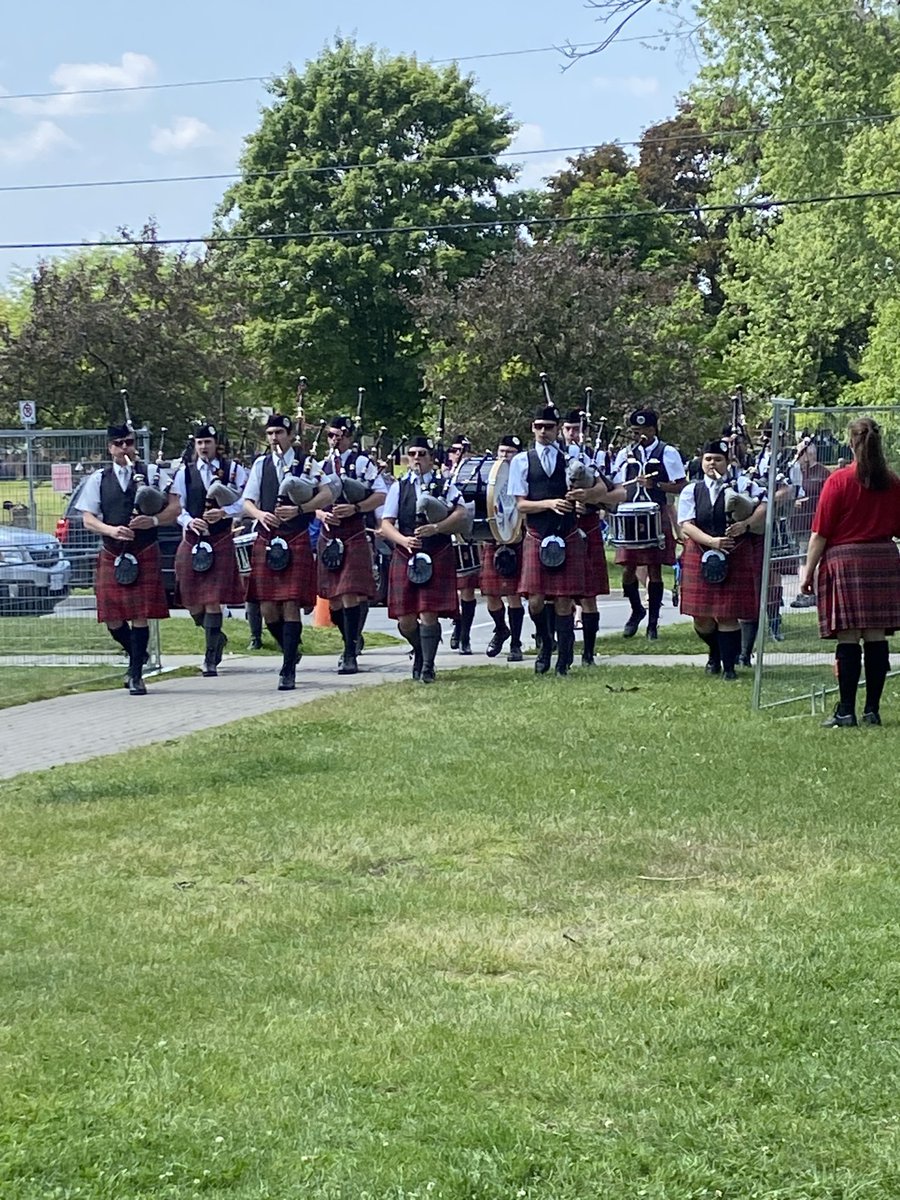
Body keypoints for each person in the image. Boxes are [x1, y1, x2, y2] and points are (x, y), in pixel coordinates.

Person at [799, 417, 900, 727]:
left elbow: (820, 533)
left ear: (850, 443)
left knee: (848, 637)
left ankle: (846, 711)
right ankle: (872, 710)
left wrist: (807, 573)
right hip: (883, 559)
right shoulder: (894, 482)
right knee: (874, 636)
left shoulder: (838, 481)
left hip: (845, 562)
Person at [76, 423, 180, 695]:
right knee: (112, 618)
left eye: (129, 443)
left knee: (140, 616)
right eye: (119, 443)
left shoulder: (153, 473)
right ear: (110, 447)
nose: (125, 448)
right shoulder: (99, 478)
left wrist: (154, 520)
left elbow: (175, 509)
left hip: (143, 549)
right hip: (112, 551)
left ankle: (136, 676)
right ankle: (138, 653)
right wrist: (111, 530)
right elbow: (88, 519)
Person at [509, 404, 611, 676]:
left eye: (549, 427)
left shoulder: (572, 457)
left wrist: (585, 496)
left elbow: (602, 487)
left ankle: (564, 658)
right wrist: (549, 503)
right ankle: (545, 644)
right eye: (539, 426)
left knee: (565, 599)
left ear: (557, 430)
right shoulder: (522, 460)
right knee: (535, 601)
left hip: (567, 534)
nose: (544, 431)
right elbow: (520, 505)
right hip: (537, 534)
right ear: (533, 428)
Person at [240, 413, 335, 691]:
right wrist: (259, 515)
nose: (273, 438)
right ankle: (291, 650)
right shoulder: (261, 464)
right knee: (268, 608)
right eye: (269, 434)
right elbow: (247, 501)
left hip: (295, 535)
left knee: (291, 603)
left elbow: (328, 494)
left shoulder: (307, 463)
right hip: (268, 537)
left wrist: (301, 509)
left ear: (290, 435)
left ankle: (287, 669)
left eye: (278, 433)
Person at [380, 436, 469, 683]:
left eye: (421, 454)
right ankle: (419, 651)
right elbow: (386, 524)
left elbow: (461, 514)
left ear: (431, 458)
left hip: (436, 551)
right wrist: (403, 540)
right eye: (412, 453)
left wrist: (438, 527)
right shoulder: (400, 486)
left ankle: (428, 667)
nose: (416, 458)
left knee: (428, 612)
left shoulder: (444, 484)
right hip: (406, 553)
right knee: (406, 620)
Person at [677, 438, 767, 680]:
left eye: (718, 459)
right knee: (702, 618)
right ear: (702, 461)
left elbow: (764, 506)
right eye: (708, 459)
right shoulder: (691, 490)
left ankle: (729, 668)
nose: (712, 463)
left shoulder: (743, 484)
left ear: (728, 462)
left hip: (735, 554)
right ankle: (714, 652)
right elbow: (686, 525)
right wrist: (712, 541)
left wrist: (746, 524)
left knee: (728, 614)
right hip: (701, 552)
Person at [170, 421, 248, 677]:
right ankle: (217, 637)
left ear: (216, 445)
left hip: (219, 538)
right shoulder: (185, 472)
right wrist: (189, 520)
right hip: (193, 539)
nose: (204, 447)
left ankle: (210, 658)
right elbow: (177, 507)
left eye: (208, 442)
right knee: (191, 601)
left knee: (213, 600)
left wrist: (223, 513)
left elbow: (246, 502)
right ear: (195, 445)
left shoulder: (233, 470)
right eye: (200, 443)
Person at [316, 415, 387, 675]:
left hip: (354, 531)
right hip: (328, 533)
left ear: (350, 437)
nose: (335, 440)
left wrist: (356, 507)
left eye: (340, 435)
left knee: (349, 593)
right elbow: (307, 497)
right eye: (331, 435)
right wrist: (321, 513)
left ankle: (349, 652)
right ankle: (352, 638)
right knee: (334, 598)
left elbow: (380, 495)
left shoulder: (363, 463)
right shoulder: (319, 465)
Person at [612, 409, 686, 639]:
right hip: (629, 515)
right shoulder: (626, 453)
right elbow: (617, 483)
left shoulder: (668, 452)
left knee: (654, 570)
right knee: (627, 568)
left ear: (653, 430)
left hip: (656, 513)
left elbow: (681, 485)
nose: (638, 435)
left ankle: (653, 624)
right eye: (634, 431)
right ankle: (636, 610)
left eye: (642, 431)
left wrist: (656, 485)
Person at [561, 409, 625, 665]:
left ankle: (588, 653)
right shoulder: (553, 457)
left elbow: (620, 494)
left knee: (589, 594)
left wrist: (592, 498)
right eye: (568, 428)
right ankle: (557, 648)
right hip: (559, 527)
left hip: (588, 525)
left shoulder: (599, 457)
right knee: (557, 594)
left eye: (577, 428)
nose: (573, 433)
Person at [479, 434, 526, 661]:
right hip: (493, 539)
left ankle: (516, 644)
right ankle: (501, 629)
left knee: (514, 595)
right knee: (490, 594)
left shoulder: (524, 476)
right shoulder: (489, 477)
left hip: (517, 539)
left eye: (510, 453)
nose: (505, 456)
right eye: (502, 452)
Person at [445, 434, 479, 654]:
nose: (458, 454)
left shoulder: (473, 475)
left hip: (465, 536)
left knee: (466, 588)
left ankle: (464, 634)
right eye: (455, 449)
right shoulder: (441, 476)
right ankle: (457, 623)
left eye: (463, 450)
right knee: (450, 588)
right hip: (444, 536)